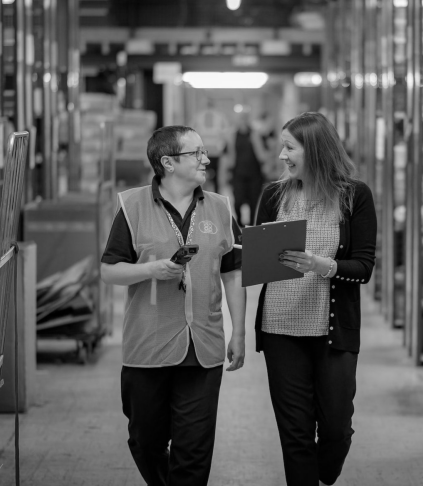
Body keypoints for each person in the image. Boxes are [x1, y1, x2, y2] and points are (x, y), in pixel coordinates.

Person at [100, 125, 246, 486]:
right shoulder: (132, 206)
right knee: (146, 441)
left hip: (204, 347)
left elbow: (233, 272)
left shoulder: (219, 207)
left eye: (204, 152)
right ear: (168, 162)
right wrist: (150, 269)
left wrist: (239, 332)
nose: (206, 159)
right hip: (147, 347)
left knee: (193, 450)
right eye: (196, 153)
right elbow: (109, 271)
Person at [253, 112, 377, 486]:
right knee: (295, 432)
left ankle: (325, 474)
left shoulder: (355, 196)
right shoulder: (273, 195)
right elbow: (260, 262)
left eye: (290, 148)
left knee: (337, 428)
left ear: (316, 150)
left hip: (332, 333)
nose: (282, 156)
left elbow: (363, 267)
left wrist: (321, 264)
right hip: (280, 328)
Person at [224, 115, 268, 226]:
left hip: (255, 174)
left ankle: (252, 226)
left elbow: (264, 153)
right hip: (238, 174)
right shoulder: (232, 135)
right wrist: (225, 173)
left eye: (245, 118)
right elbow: (227, 155)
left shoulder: (256, 134)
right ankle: (240, 223)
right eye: (241, 118)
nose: (243, 121)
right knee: (238, 201)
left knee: (254, 202)